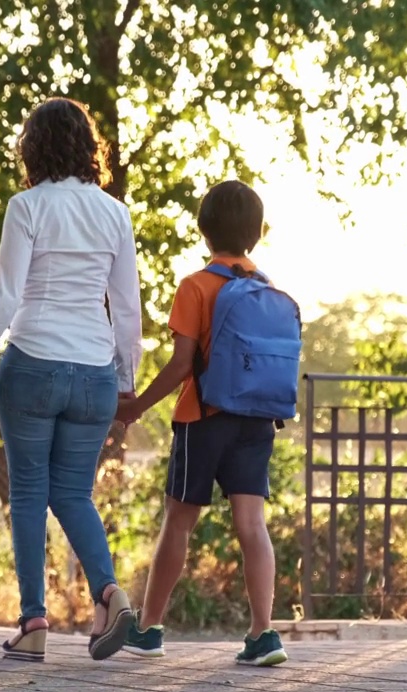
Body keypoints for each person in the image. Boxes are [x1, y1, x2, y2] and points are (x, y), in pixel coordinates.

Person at [0, 97, 143, 662]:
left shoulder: (26, 205)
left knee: (30, 493)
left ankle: (33, 622)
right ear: (88, 147)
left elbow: (6, 291)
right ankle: (110, 592)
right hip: (95, 370)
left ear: (33, 146)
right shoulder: (114, 213)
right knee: (73, 493)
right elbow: (126, 306)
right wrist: (127, 378)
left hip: (32, 360)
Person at [116, 180, 296, 666]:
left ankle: (150, 627)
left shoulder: (196, 286)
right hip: (256, 419)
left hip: (204, 418)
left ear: (203, 230)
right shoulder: (268, 289)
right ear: (256, 233)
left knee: (179, 521)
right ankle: (263, 632)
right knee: (251, 523)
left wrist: (136, 407)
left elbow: (181, 366)